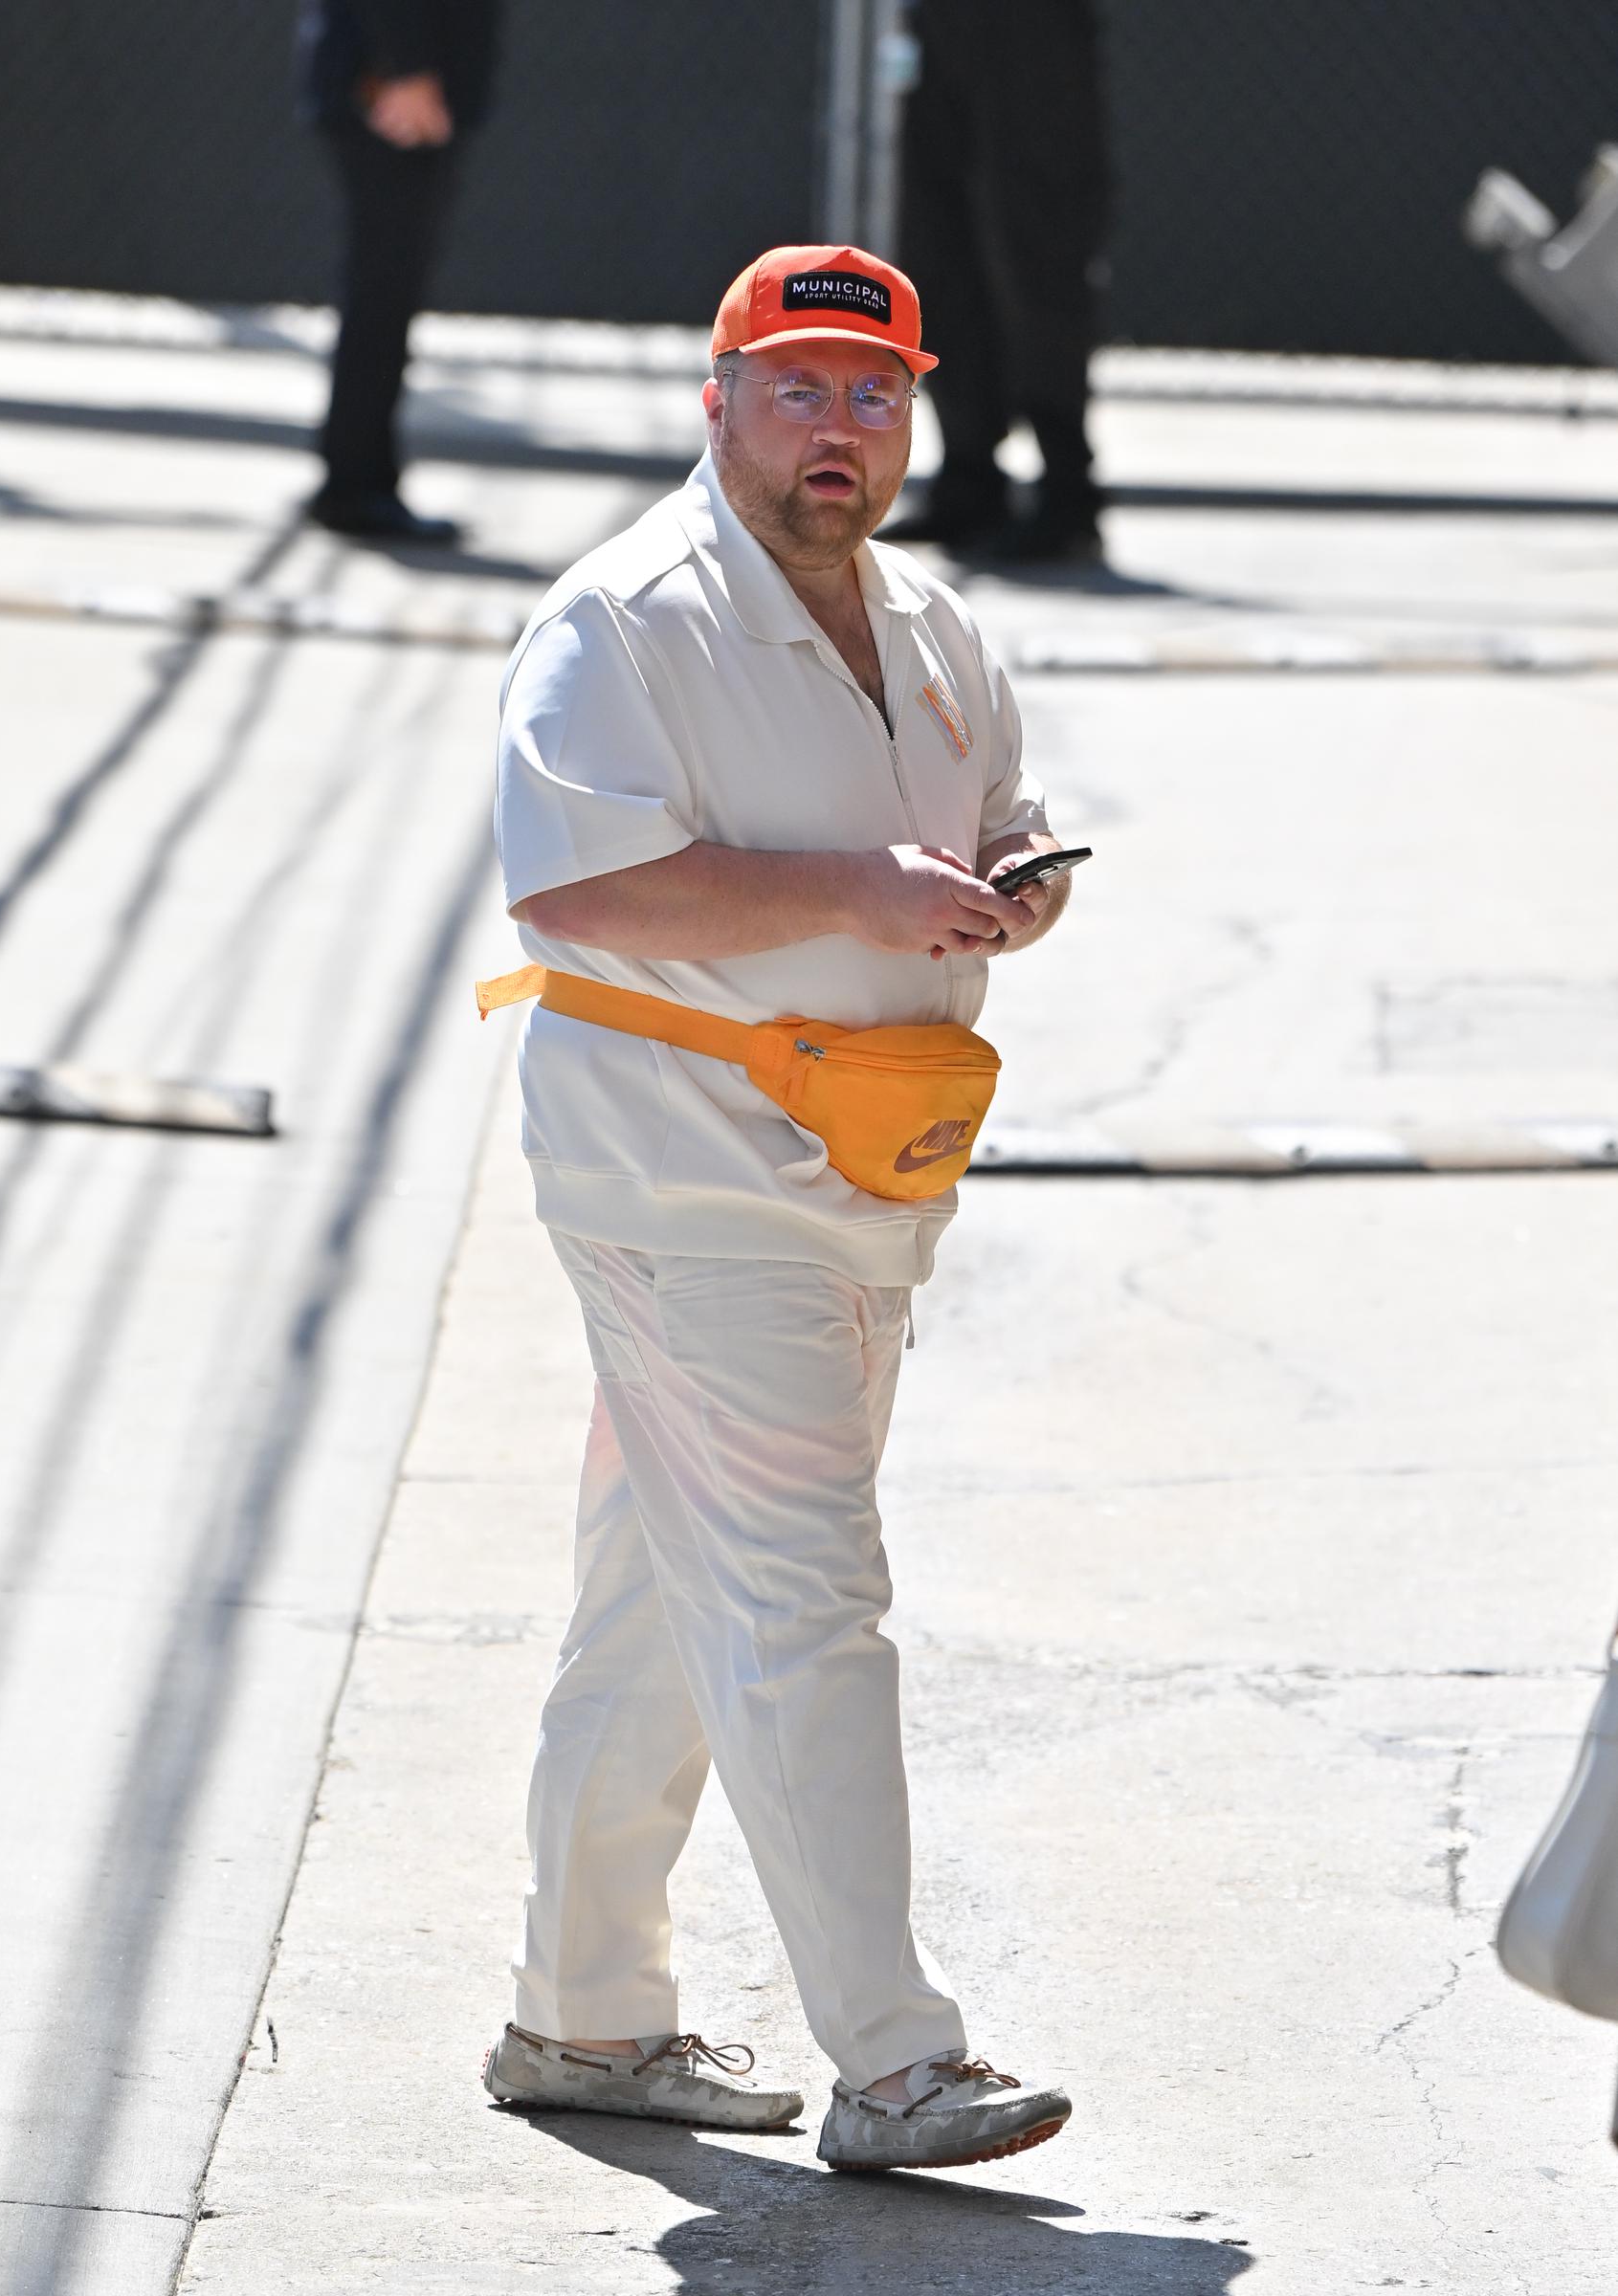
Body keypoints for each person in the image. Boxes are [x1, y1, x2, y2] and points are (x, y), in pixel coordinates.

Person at [480, 244, 1077, 2172]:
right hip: (684, 1170)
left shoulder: (925, 619)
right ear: (715, 397)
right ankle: (896, 2063)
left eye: (874, 392)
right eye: (801, 386)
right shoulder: (624, 618)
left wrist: (1006, 875)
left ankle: (582, 2016)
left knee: (664, 1593)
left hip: (860, 1176)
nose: (841, 427)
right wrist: (857, 889)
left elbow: (980, 817)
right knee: (807, 1600)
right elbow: (574, 893)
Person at [886, 0, 1111, 563]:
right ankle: (970, 479)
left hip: (1029, 26)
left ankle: (1067, 492)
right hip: (939, 23)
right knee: (937, 248)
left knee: (1035, 244)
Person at [295, 0, 501, 542]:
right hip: (390, 88)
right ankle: (354, 488)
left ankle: (358, 482)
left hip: (395, 80)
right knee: (381, 293)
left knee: (383, 293)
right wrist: (404, 67)